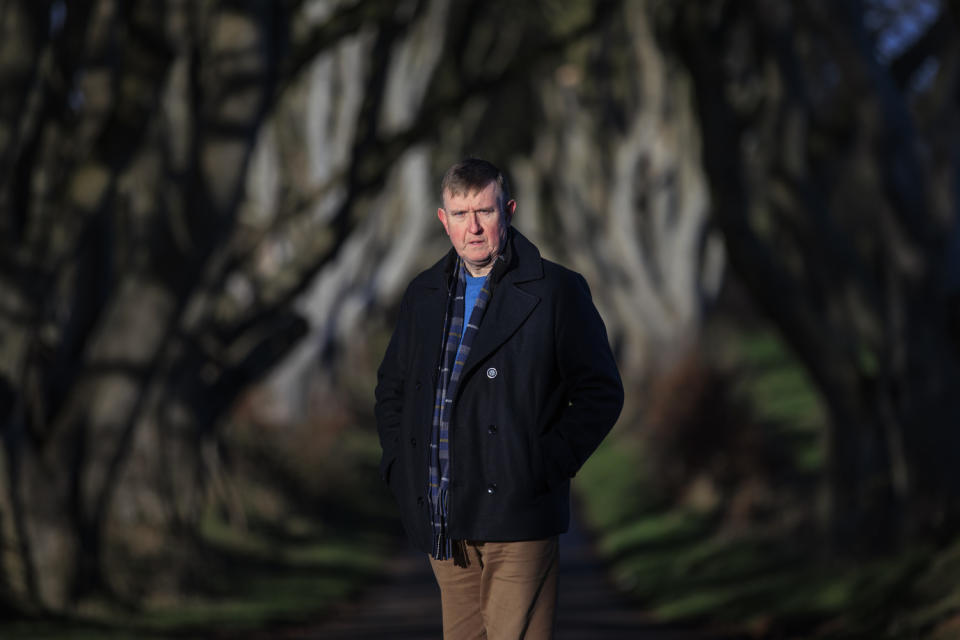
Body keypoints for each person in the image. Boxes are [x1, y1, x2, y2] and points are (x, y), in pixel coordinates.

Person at [375, 158, 623, 639]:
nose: (474, 228)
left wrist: (544, 463)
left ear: (507, 211)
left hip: (518, 512)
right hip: (445, 518)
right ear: (442, 220)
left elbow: (601, 391)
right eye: (461, 215)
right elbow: (393, 390)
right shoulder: (422, 294)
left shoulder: (556, 291)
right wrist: (399, 468)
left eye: (484, 212)